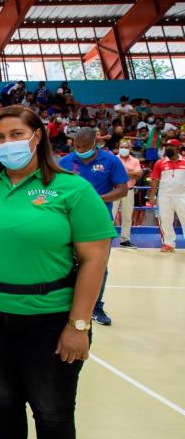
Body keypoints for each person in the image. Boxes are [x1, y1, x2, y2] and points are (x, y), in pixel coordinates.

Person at [0, 105, 115, 439]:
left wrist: (79, 325)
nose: (7, 143)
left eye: (16, 134)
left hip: (48, 319)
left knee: (52, 411)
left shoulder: (72, 189)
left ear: (37, 137)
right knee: (4, 400)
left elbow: (95, 260)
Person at [58, 128, 128, 326]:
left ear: (95, 144)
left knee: (98, 267)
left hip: (98, 223)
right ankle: (67, 305)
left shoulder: (111, 161)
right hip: (68, 221)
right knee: (66, 264)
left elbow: (122, 190)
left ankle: (95, 307)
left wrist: (93, 200)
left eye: (85, 147)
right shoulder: (65, 162)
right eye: (77, 146)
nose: (81, 150)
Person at [148, 139, 185, 252]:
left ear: (177, 148)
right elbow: (155, 180)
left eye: (171, 146)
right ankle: (168, 244)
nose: (168, 148)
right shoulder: (160, 162)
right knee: (165, 220)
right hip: (164, 196)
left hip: (182, 195)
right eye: (166, 146)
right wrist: (152, 196)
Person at [112, 140, 143, 249]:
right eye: (121, 146)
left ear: (130, 149)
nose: (123, 148)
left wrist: (122, 173)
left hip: (128, 190)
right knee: (110, 215)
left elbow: (139, 174)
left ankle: (125, 240)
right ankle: (105, 239)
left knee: (127, 216)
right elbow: (111, 174)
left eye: (126, 147)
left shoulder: (135, 160)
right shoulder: (113, 159)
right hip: (114, 190)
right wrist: (131, 173)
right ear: (118, 148)